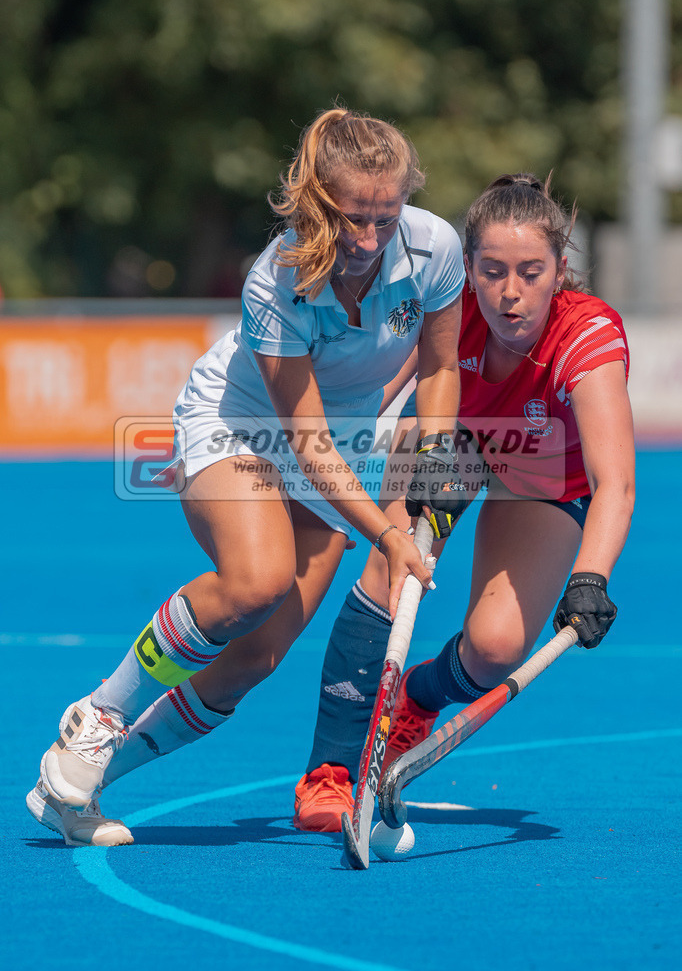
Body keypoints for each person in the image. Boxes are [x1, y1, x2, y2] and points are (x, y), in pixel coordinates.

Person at [27, 107, 468, 846]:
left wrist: (436, 469)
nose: (369, 239)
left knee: (255, 659)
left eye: (385, 219)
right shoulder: (278, 281)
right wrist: (390, 535)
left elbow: (444, 365)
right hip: (243, 427)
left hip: (347, 438)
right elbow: (306, 441)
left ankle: (79, 787)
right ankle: (97, 715)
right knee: (256, 581)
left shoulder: (435, 247)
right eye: (354, 218)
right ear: (320, 204)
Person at [292, 172, 635, 833]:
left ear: (560, 269)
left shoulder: (588, 336)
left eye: (531, 272)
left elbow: (615, 481)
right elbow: (371, 396)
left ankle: (416, 699)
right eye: (492, 271)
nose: (510, 293)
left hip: (540, 475)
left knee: (497, 648)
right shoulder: (449, 304)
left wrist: (590, 580)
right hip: (452, 438)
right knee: (394, 570)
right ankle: (330, 771)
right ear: (468, 268)